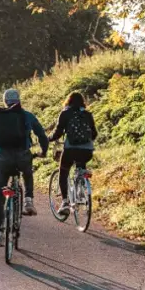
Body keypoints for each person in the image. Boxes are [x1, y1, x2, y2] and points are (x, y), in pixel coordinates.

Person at [0, 87, 49, 246]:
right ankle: (28, 201)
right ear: (19, 101)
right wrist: (43, 151)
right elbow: (42, 136)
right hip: (22, 156)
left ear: (5, 101)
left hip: (3, 158)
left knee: (0, 194)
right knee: (27, 173)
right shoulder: (27, 116)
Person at [47, 90, 98, 220]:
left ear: (68, 101)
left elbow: (57, 133)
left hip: (70, 150)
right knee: (81, 167)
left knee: (63, 171)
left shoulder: (65, 113)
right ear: (82, 102)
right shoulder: (87, 114)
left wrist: (48, 139)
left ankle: (64, 202)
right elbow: (94, 134)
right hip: (87, 151)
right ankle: (81, 190)